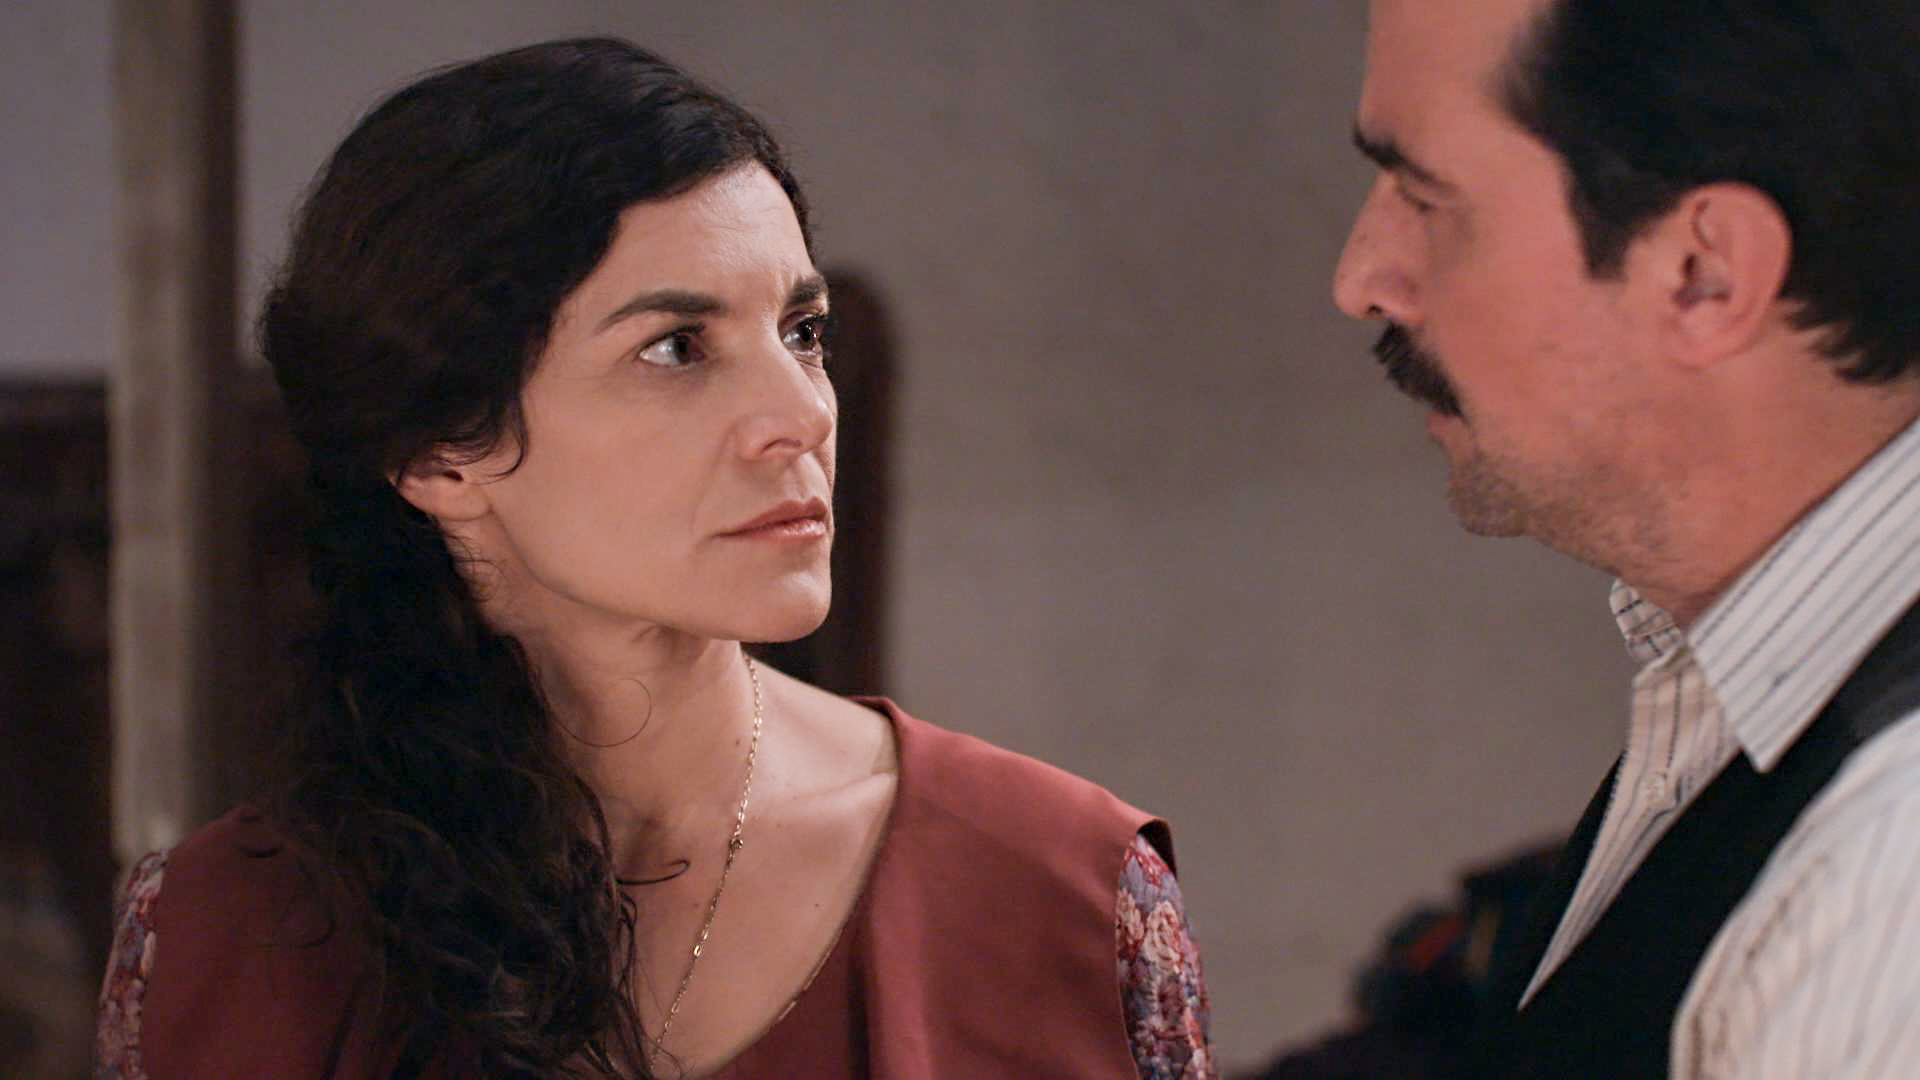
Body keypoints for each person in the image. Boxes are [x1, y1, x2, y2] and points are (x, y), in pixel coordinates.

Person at [93, 38, 1213, 1079]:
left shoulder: (1063, 897)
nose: (801, 415)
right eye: (677, 348)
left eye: (803, 332)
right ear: (438, 454)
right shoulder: (214, 943)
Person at [1333, 1, 1920, 1076]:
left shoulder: (1888, 877)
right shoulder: (1747, 691)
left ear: (1705, 272)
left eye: (1425, 198)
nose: (1362, 279)